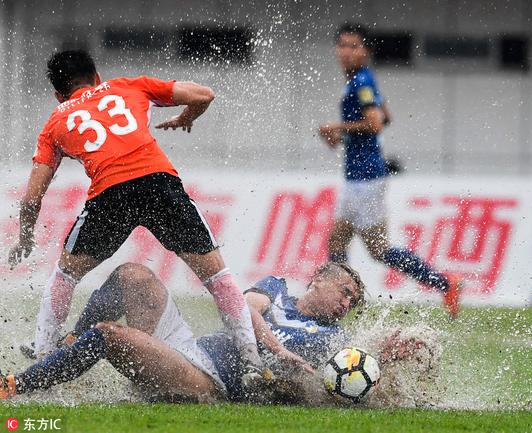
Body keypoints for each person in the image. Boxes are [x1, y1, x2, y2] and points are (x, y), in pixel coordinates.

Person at [6, 50, 261, 375]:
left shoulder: (55, 123)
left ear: (58, 95)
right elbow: (204, 94)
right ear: (97, 77)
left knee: (65, 276)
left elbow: (31, 200)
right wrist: (187, 117)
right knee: (218, 278)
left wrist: (25, 237)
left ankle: (44, 360)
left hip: (110, 193)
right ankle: (253, 364)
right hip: (159, 183)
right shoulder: (128, 86)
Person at [0, 262, 377, 403]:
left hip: (208, 379)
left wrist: (390, 353)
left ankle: (13, 386)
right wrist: (277, 349)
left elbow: (328, 385)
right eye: (345, 291)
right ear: (318, 279)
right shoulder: (276, 287)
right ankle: (63, 348)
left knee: (107, 335)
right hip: (189, 348)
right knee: (133, 275)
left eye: (353, 301)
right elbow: (242, 307)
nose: (347, 304)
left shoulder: (333, 341)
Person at [318, 23, 461, 319]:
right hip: (362, 176)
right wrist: (347, 133)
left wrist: (337, 128)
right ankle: (342, 301)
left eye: (353, 46)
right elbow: (386, 116)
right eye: (342, 45)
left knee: (375, 248)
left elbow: (375, 123)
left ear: (366, 51)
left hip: (366, 178)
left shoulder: (361, 83)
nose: (346, 51)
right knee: (342, 241)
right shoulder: (362, 80)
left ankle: (445, 283)